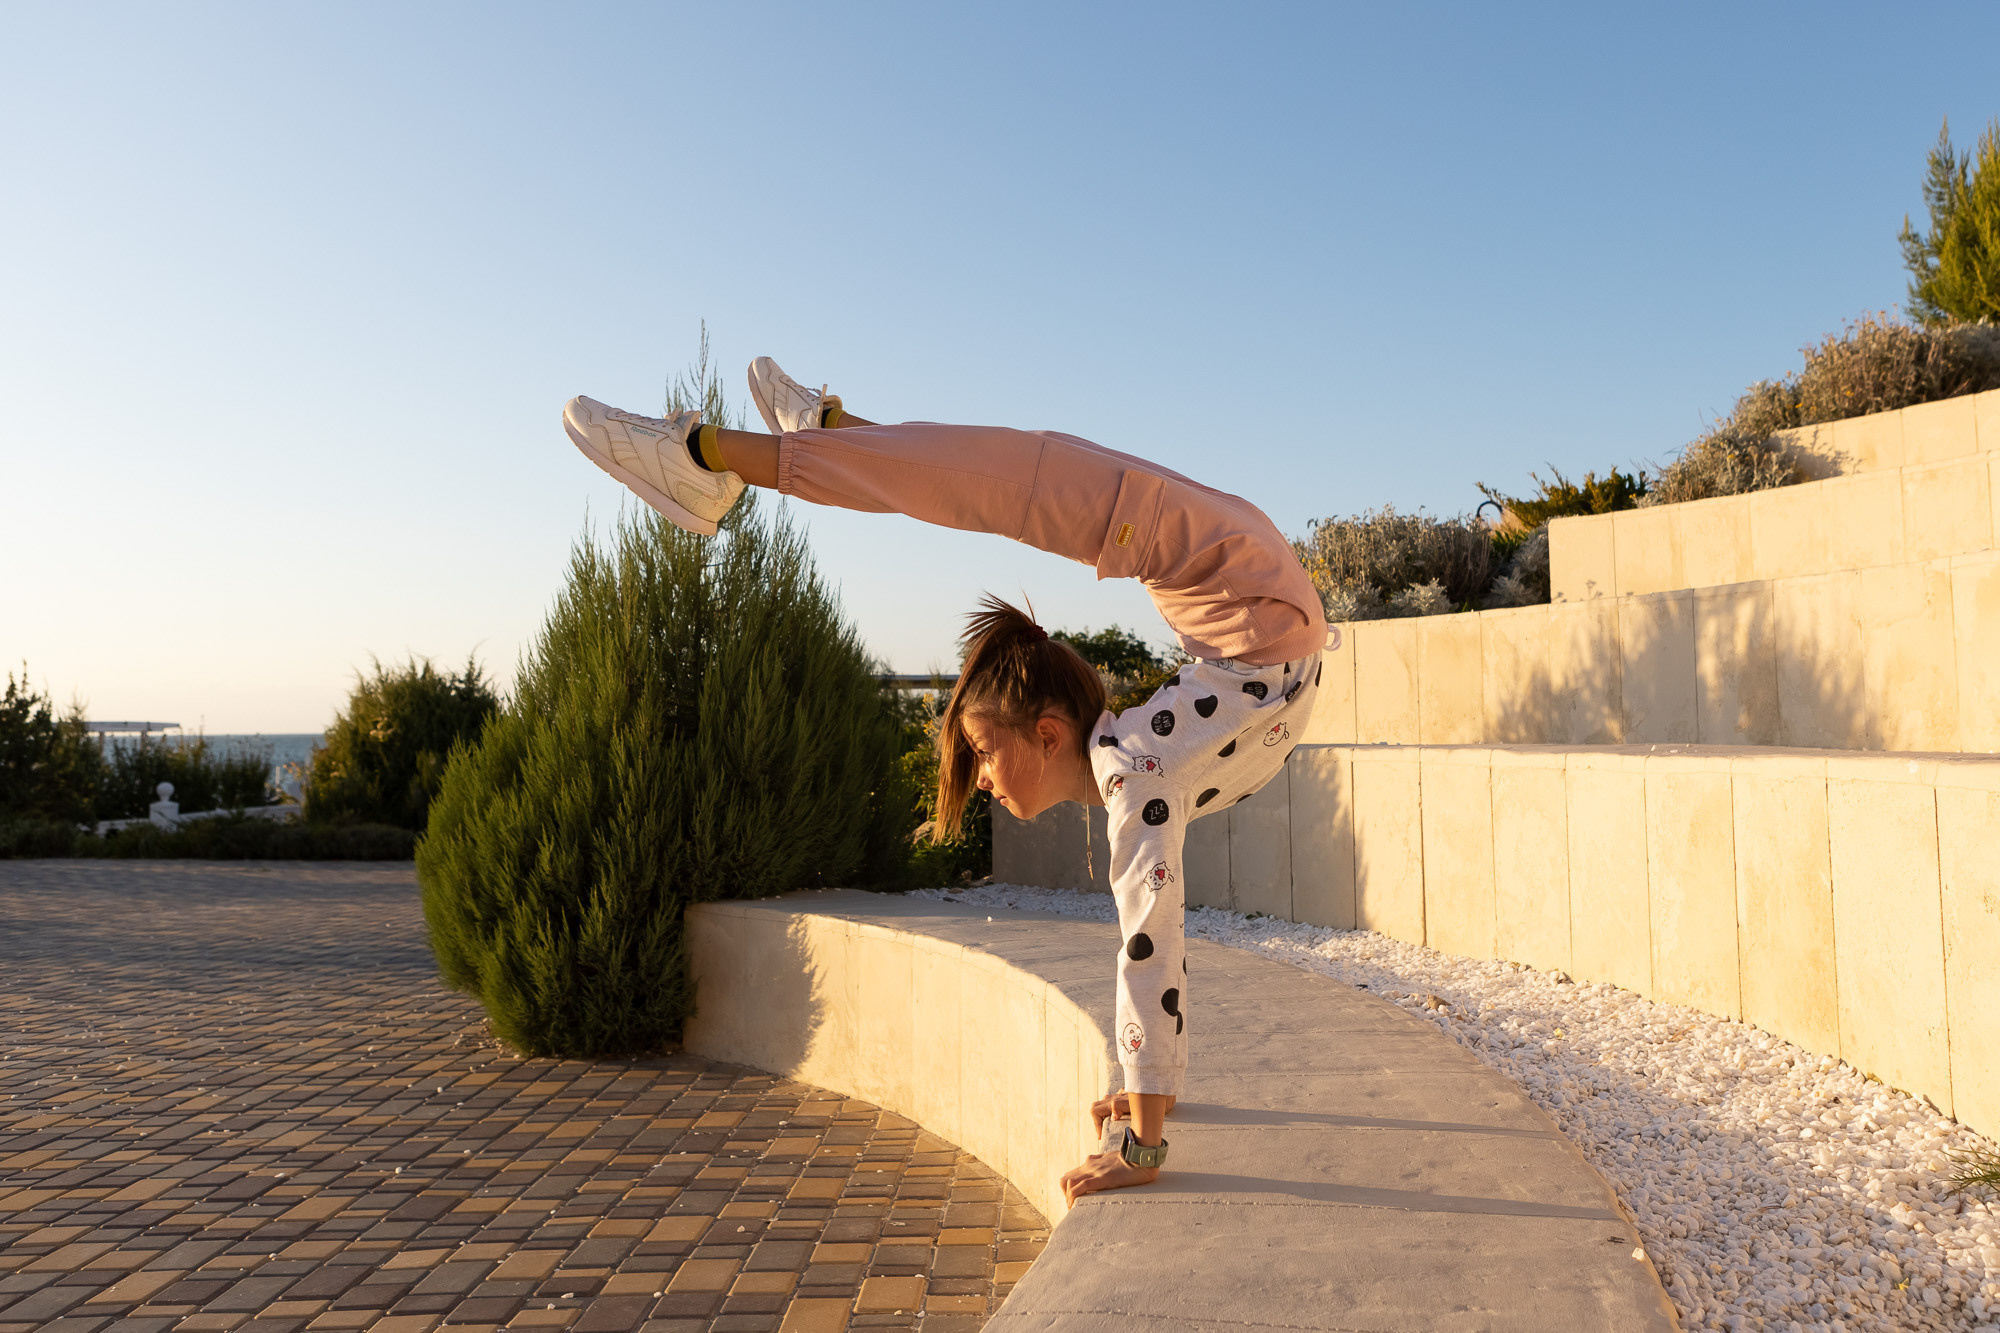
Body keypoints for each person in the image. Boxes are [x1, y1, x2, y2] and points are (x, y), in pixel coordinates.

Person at [562, 358, 1326, 1205]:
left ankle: (711, 456)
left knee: (1018, 481)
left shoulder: (1135, 772)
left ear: (1047, 734)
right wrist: (1153, 1094)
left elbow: (1149, 948)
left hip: (1256, 605)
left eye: (984, 757)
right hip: (1252, 603)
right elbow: (1156, 948)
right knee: (1021, 476)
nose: (988, 782)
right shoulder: (1141, 764)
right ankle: (810, 440)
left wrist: (1146, 1141)